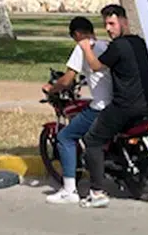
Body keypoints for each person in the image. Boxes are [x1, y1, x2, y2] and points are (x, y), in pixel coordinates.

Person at [74, 4, 148, 210]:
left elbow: (96, 66)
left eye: (112, 23)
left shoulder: (118, 46)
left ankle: (97, 192)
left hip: (127, 107)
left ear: (124, 22)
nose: (109, 29)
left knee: (92, 139)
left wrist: (86, 48)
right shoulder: (140, 43)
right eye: (106, 25)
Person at [42, 16, 110, 205]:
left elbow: (67, 80)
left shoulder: (82, 47)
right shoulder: (105, 45)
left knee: (65, 137)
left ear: (78, 34)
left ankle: (69, 190)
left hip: (101, 106)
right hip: (117, 105)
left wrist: (52, 88)